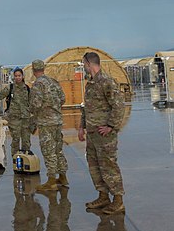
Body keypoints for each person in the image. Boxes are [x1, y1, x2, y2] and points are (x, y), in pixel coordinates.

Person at [78, 51, 126, 214]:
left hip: (105, 136)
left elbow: (119, 105)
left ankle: (118, 200)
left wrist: (111, 126)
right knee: (95, 166)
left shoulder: (106, 81)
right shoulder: (90, 83)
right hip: (92, 135)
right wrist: (81, 127)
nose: (83, 67)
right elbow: (86, 107)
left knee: (109, 166)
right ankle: (103, 196)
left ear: (89, 64)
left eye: (84, 64)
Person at [29, 59, 68, 192]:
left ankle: (51, 181)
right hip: (57, 121)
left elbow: (36, 104)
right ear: (43, 68)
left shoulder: (38, 85)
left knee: (48, 150)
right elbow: (63, 98)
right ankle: (63, 176)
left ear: (34, 70)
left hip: (46, 122)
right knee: (58, 149)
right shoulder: (53, 82)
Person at [0, 68, 32, 157]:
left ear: (23, 76)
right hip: (14, 120)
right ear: (13, 77)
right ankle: (16, 160)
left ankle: (26, 159)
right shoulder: (10, 88)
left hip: (25, 119)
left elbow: (31, 103)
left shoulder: (27, 89)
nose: (18, 77)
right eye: (16, 76)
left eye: (19, 75)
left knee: (26, 141)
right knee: (15, 141)